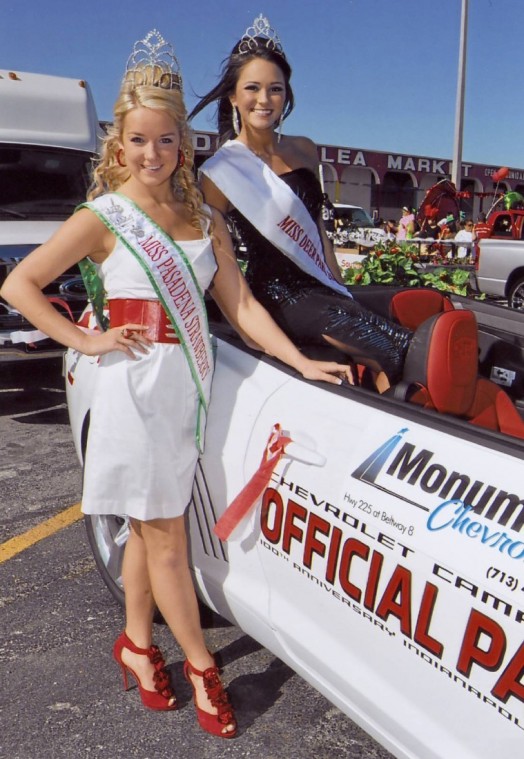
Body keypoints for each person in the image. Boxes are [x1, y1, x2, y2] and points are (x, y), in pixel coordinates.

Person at [0, 30, 353, 739]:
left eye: (167, 141)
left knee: (143, 528)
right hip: (132, 391)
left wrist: (303, 361)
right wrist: (87, 337)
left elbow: (242, 307)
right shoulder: (102, 217)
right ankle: (200, 662)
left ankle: (135, 641)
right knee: (166, 536)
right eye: (139, 141)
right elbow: (20, 283)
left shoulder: (203, 218)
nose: (153, 154)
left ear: (183, 145)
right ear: (119, 143)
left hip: (186, 389)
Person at [189, 14, 413, 389]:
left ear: (286, 94)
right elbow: (219, 264)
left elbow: (318, 229)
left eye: (275, 89)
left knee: (401, 340)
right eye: (253, 88)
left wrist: (339, 288)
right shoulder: (220, 172)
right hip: (279, 294)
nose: (264, 100)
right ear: (233, 96)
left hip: (320, 287)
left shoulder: (305, 150)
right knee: (389, 346)